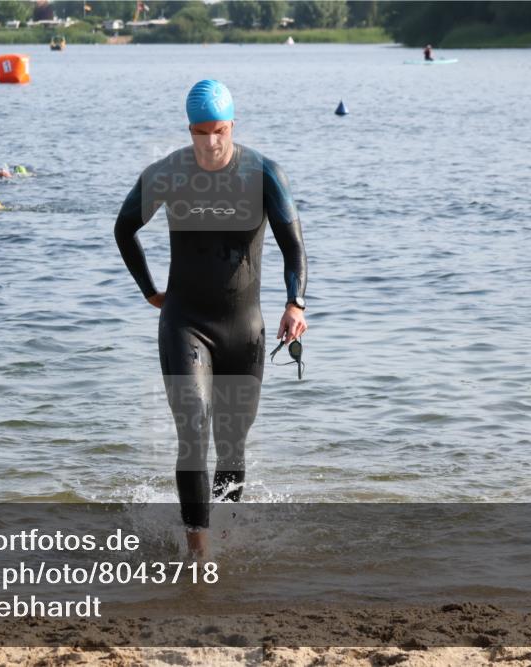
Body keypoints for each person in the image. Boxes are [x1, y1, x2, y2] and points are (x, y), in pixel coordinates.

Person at [114, 79, 307, 558]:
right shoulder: (168, 173)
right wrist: (150, 291)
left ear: (232, 126)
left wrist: (295, 303)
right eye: (201, 133)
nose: (211, 142)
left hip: (245, 329)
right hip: (186, 321)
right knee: (193, 428)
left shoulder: (263, 174)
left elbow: (293, 247)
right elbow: (124, 228)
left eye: (219, 130)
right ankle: (198, 550)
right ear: (190, 130)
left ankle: (224, 530)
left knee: (232, 442)